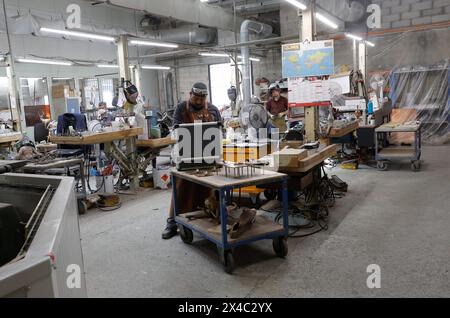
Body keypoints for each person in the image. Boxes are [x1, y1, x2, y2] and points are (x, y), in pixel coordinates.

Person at [162, 82, 222, 240]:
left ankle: (205, 215)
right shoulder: (181, 108)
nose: (198, 102)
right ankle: (172, 223)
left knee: (208, 186)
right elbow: (176, 131)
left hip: (208, 156)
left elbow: (219, 131)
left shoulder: (213, 110)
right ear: (190, 95)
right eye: (195, 98)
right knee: (181, 186)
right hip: (186, 155)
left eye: (201, 99)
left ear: (205, 98)